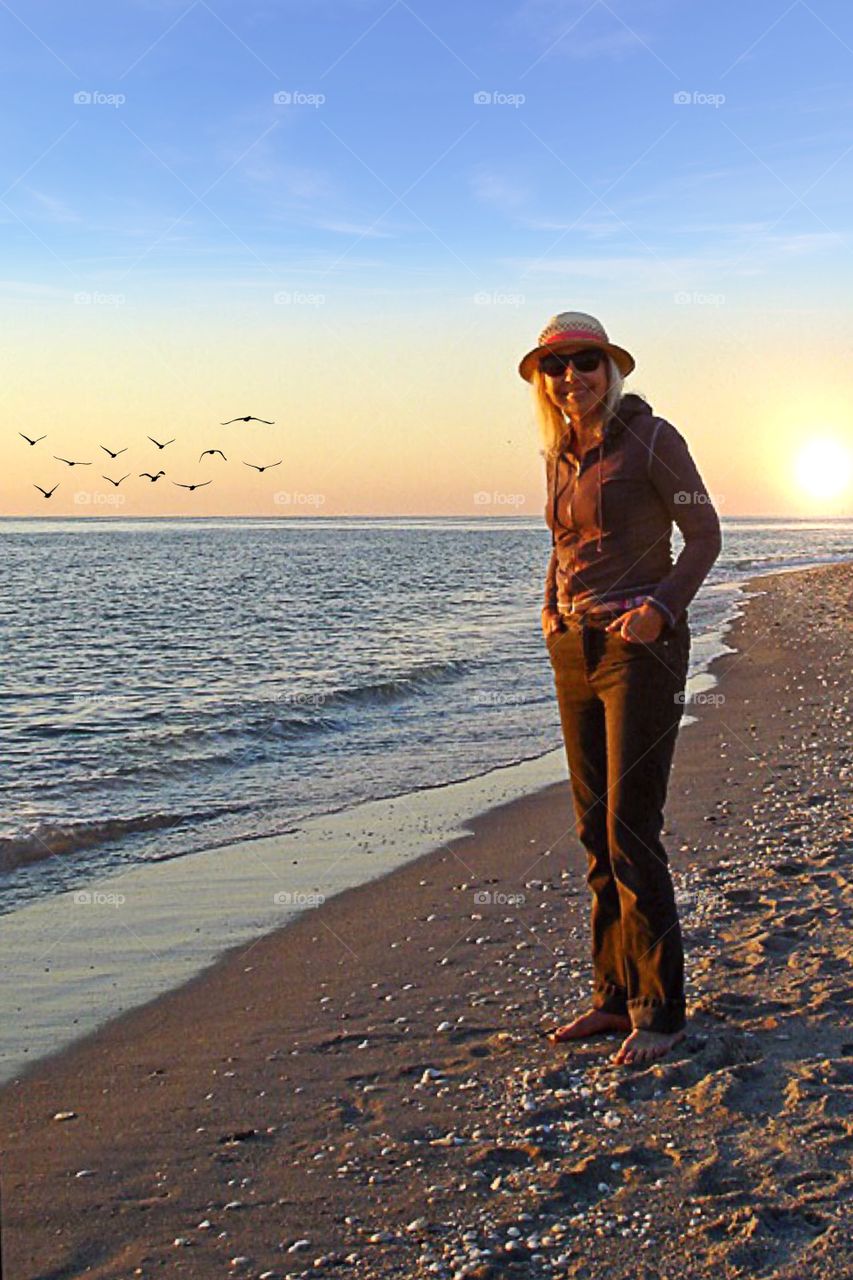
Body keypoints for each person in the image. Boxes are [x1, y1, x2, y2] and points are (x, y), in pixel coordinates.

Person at [518, 311, 722, 1066]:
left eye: (585, 362)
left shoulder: (652, 438)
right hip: (573, 649)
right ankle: (611, 998)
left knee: (631, 833)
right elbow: (561, 544)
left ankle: (661, 1012)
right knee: (591, 834)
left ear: (610, 368)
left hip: (641, 653)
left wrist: (658, 609)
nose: (571, 377)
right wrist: (547, 612)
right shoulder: (559, 454)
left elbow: (704, 535)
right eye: (556, 366)